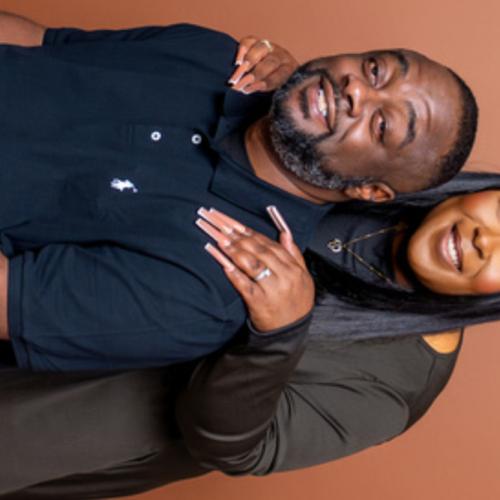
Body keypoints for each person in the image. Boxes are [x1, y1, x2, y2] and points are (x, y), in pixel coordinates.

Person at [0, 11, 478, 371]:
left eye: (382, 125)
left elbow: (8, 301)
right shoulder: (215, 54)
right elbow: (41, 42)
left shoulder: (211, 288)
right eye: (376, 71)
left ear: (370, 191)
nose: (357, 90)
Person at [2, 171, 500, 499]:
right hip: (46, 271)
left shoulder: (396, 388)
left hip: (51, 402)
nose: (486, 240)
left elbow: (236, 449)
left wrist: (278, 335)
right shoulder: (380, 170)